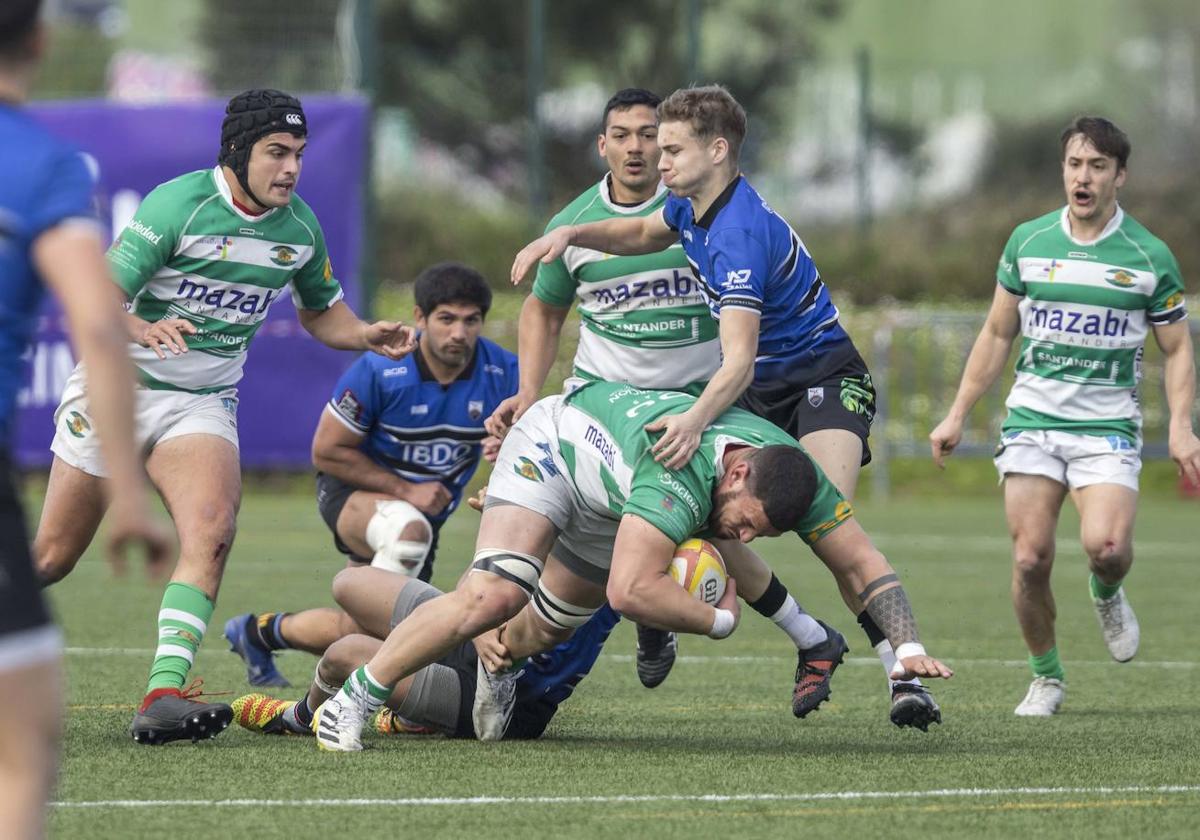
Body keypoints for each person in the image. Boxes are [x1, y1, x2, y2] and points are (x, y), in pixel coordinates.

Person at [511, 84, 940, 728]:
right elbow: (633, 233)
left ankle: (903, 671)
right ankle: (811, 638)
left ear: (717, 150)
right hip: (755, 391)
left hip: (819, 377)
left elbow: (737, 360)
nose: (658, 158)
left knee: (825, 522)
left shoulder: (738, 234)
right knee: (714, 511)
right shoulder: (690, 207)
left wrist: (694, 417)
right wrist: (570, 232)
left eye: (672, 147)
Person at [32, 87, 419, 745]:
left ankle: (161, 696)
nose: (291, 168)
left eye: (298, 153)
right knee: (51, 557)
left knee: (211, 529)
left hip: (203, 401)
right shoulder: (178, 204)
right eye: (276, 153)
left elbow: (320, 309)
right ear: (239, 152)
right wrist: (144, 327)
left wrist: (363, 335)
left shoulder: (297, 227)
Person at [313, 381, 953, 751]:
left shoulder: (796, 479)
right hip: (553, 451)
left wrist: (909, 646)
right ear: (734, 471)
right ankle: (354, 703)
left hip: (608, 501)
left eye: (763, 531)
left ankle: (494, 673)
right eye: (747, 520)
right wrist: (719, 620)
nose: (745, 537)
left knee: (538, 634)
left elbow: (864, 562)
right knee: (494, 598)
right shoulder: (682, 475)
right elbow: (628, 588)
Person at [930, 116, 1199, 717]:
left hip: (1107, 430)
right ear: (1063, 171)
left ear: (1119, 177)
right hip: (1032, 423)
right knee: (1030, 558)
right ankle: (1046, 678)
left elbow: (1177, 348)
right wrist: (956, 414)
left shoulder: (1148, 257)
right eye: (1075, 164)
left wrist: (1181, 426)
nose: (1084, 177)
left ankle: (1107, 590)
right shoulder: (1028, 242)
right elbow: (998, 334)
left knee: (1106, 548)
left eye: (1098, 166)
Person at [0, 1, 170, 834]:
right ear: (39, 38)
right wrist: (131, 497)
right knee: (21, 757)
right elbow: (99, 326)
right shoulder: (44, 166)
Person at [223, 263, 518, 687]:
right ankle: (378, 693)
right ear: (420, 318)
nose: (459, 333)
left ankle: (259, 632)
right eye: (446, 319)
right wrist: (406, 490)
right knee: (407, 534)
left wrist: (506, 445)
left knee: (364, 628)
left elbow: (524, 442)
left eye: (471, 321)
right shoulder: (380, 371)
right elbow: (326, 453)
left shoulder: (504, 373)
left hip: (426, 511)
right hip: (353, 493)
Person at [229, 565, 618, 742]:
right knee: (350, 583)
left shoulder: (621, 556)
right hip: (472, 628)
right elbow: (479, 573)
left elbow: (643, 599)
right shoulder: (561, 493)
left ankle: (299, 716)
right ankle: (414, 704)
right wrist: (479, 617)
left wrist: (658, 635)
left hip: (501, 698)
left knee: (343, 655)